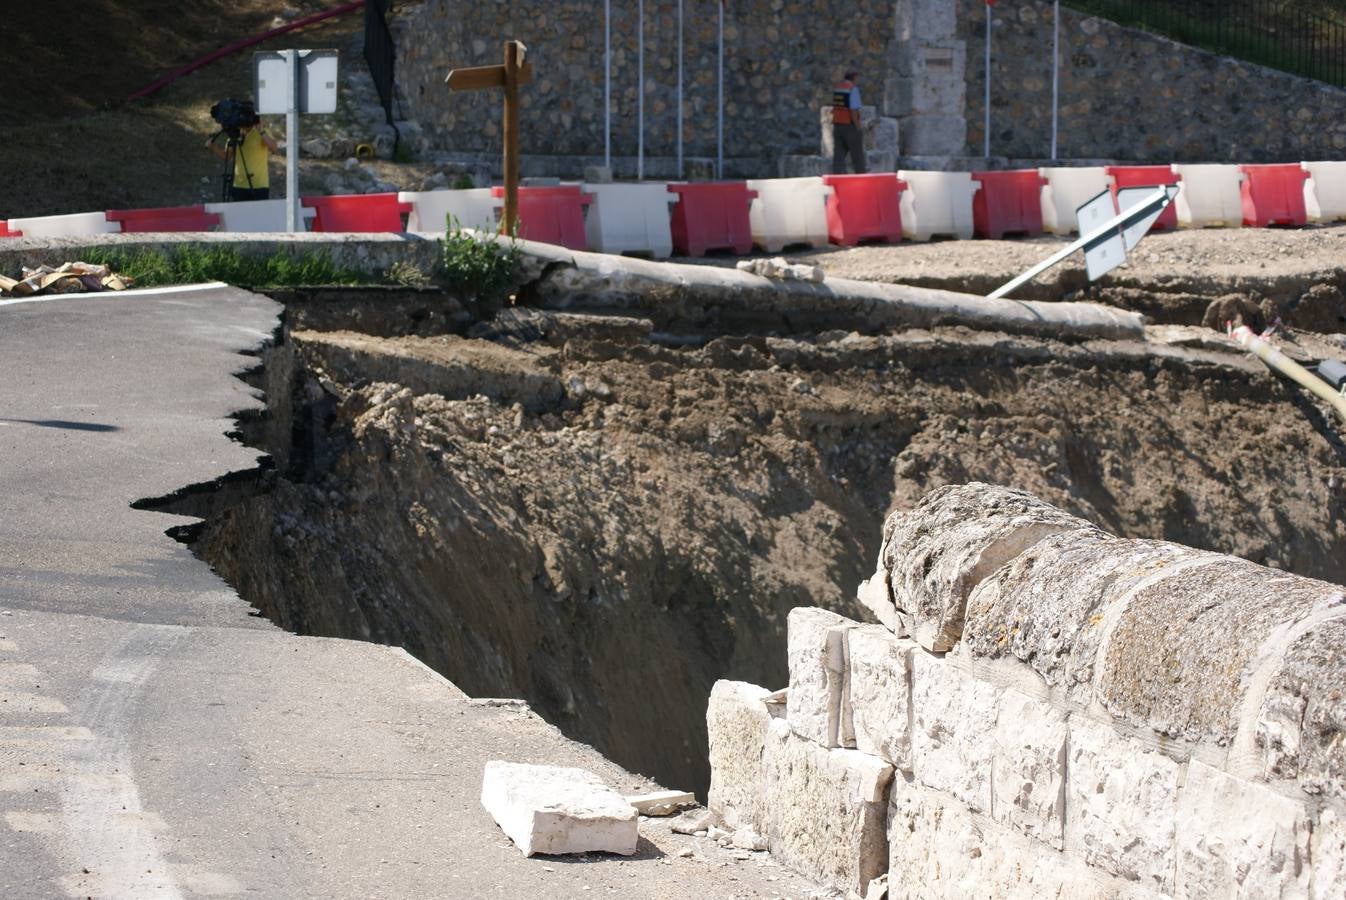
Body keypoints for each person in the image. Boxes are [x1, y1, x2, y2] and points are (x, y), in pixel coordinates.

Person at [205, 118, 278, 201]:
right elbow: (227, 156)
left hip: (259, 186)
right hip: (238, 185)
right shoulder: (235, 135)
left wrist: (261, 130)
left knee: (258, 214)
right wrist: (213, 147)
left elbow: (274, 148)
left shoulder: (262, 132)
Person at [831, 69, 866, 175]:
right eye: (857, 78)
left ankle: (837, 178)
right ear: (854, 77)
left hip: (837, 125)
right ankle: (861, 178)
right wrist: (858, 125)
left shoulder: (838, 88)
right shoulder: (853, 89)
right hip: (849, 125)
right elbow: (853, 109)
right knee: (857, 155)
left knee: (838, 156)